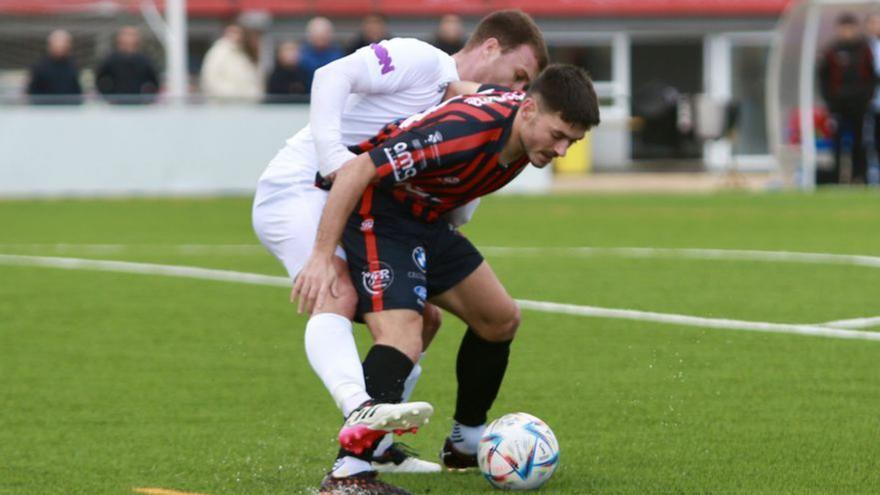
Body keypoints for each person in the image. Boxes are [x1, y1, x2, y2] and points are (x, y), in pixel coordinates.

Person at [251, 9, 548, 493]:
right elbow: (331, 75)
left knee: (425, 319)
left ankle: (380, 447)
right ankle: (358, 430)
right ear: (490, 48)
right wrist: (334, 160)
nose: (518, 92)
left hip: (361, 202)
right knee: (338, 293)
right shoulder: (423, 60)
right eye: (518, 76)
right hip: (303, 188)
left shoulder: (470, 109)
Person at [294, 64, 600, 493]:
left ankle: (465, 441)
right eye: (558, 136)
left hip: (426, 219)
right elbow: (358, 170)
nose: (563, 150)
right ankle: (348, 473)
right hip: (379, 213)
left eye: (574, 141)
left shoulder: (521, 124)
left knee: (500, 319)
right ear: (528, 110)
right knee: (403, 334)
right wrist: (322, 256)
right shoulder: (459, 135)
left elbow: (461, 86)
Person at [818, 12, 877, 184]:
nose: (847, 32)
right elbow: (823, 79)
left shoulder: (864, 50)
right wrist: (831, 102)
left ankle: (860, 177)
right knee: (837, 144)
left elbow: (872, 77)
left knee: (860, 143)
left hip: (860, 106)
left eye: (850, 28)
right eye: (844, 28)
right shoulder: (831, 51)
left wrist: (866, 98)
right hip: (838, 107)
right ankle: (837, 178)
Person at [95, 26, 160, 104]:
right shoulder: (111, 59)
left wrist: (147, 98)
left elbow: (154, 81)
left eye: (132, 35)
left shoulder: (144, 60)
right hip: (117, 105)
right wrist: (108, 96)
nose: (128, 38)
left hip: (138, 105)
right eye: (126, 34)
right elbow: (100, 79)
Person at [200, 23, 263, 102]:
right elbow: (210, 80)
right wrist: (233, 95)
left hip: (245, 106)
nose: (235, 35)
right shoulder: (218, 52)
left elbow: (253, 81)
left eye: (238, 32)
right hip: (225, 106)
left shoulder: (243, 53)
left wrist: (253, 95)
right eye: (232, 32)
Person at [27, 30, 82, 105]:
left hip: (68, 110)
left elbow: (77, 91)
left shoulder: (73, 66)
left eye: (64, 43)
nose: (60, 46)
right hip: (44, 111)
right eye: (57, 43)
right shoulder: (40, 67)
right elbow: (32, 91)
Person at [299, 17, 343, 91]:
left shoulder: (339, 56)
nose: (320, 37)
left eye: (323, 34)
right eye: (316, 34)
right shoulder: (299, 55)